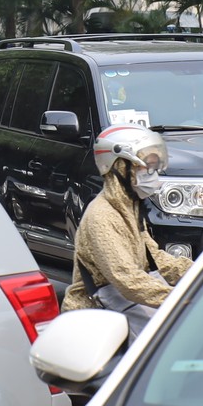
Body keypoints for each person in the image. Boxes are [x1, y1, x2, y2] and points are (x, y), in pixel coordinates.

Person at [62, 125, 191, 325]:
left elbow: (155, 258)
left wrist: (200, 272)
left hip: (122, 304)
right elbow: (127, 279)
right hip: (94, 317)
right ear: (120, 167)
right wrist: (182, 301)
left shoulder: (129, 208)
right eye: (145, 167)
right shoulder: (102, 216)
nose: (152, 174)